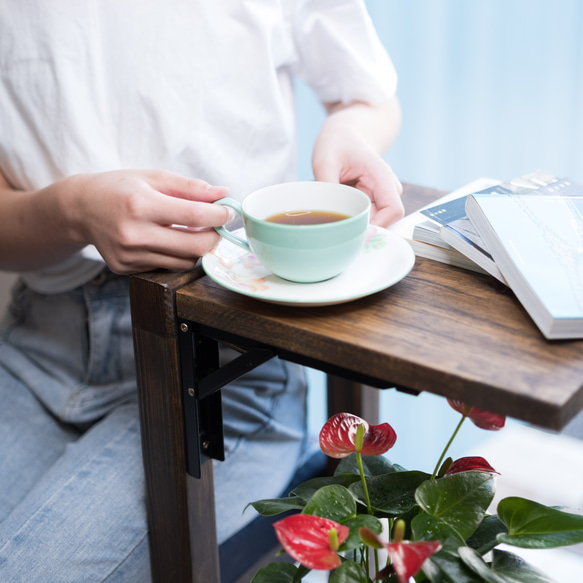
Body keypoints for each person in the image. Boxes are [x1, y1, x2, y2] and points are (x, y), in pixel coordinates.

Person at [0, 1, 403, 580]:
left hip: (224, 366)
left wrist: (349, 132)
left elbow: (367, 94)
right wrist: (70, 211)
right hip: (37, 347)